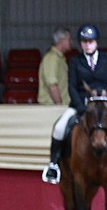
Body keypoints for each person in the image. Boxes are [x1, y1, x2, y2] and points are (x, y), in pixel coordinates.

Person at [44, 24, 107, 183]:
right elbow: (72, 86)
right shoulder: (75, 61)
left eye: (90, 41)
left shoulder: (106, 59)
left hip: (104, 105)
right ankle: (53, 166)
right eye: (84, 41)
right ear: (80, 43)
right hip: (82, 104)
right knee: (59, 127)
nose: (87, 44)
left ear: (96, 42)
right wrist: (80, 107)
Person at [39, 27, 72, 106]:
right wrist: (59, 106)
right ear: (61, 41)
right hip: (52, 108)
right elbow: (52, 85)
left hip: (56, 107)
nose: (71, 42)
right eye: (69, 39)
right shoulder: (52, 58)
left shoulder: (59, 58)